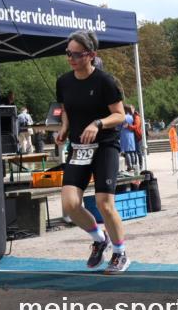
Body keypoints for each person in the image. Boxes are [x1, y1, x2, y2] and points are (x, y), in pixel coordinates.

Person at [55, 30, 131, 274]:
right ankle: (100, 240)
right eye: (68, 53)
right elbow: (66, 108)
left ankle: (120, 254)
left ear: (91, 55)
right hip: (79, 149)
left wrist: (98, 123)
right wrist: (65, 127)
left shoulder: (105, 82)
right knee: (69, 204)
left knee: (104, 203)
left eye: (77, 54)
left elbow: (120, 115)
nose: (71, 58)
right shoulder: (64, 81)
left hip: (105, 146)